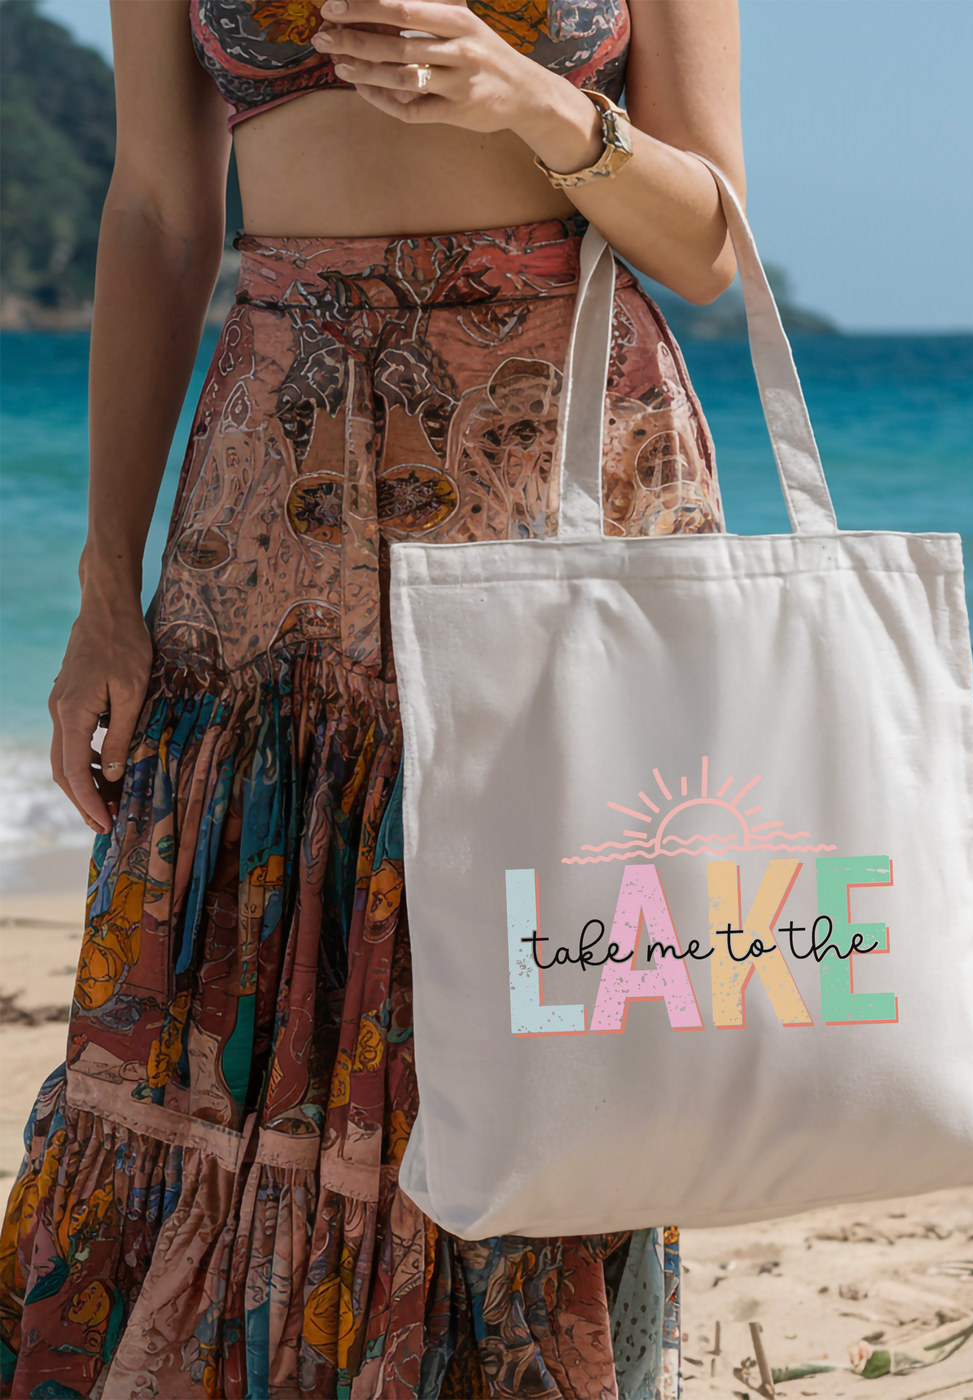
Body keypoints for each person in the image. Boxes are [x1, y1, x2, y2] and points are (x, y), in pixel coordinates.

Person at [0, 0, 741, 1393]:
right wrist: (107, 585)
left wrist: (526, 94)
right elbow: (162, 209)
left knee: (556, 990)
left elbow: (706, 240)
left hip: (561, 465)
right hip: (269, 492)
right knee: (230, 983)